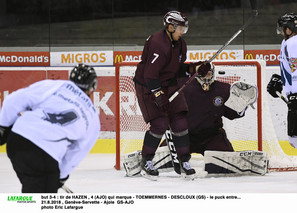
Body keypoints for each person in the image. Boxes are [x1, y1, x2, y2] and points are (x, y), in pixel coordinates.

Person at [133, 11, 210, 180]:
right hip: (147, 86)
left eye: (184, 28)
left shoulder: (181, 44)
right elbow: (150, 75)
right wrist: (159, 96)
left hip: (169, 84)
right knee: (160, 123)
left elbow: (177, 69)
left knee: (180, 120)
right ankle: (146, 161)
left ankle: (184, 161)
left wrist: (196, 69)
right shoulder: (157, 43)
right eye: (180, 28)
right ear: (170, 27)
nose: (183, 32)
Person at [0, 63, 100, 193]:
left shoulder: (55, 85)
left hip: (17, 140)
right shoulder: (92, 118)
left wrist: (2, 127)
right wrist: (61, 176)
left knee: (30, 192)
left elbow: (14, 100)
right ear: (92, 87)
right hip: (43, 155)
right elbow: (77, 151)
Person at [267, 13, 297, 148]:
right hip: (293, 94)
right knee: (293, 139)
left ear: (289, 29)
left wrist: (295, 94)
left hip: (295, 94)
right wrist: (280, 80)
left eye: (282, 28)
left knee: (294, 138)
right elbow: (290, 67)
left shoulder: (293, 43)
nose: (281, 32)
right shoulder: (287, 42)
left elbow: (296, 69)